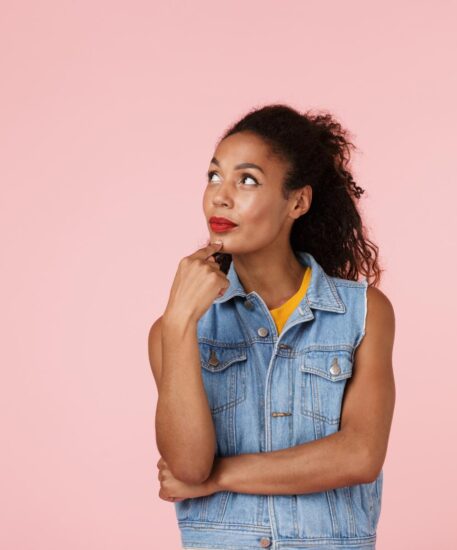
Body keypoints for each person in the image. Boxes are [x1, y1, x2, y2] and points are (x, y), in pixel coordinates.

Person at [148, 104, 396, 549]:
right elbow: (187, 467)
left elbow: (359, 455)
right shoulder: (174, 328)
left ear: (297, 201)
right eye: (213, 177)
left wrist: (218, 478)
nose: (220, 196)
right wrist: (180, 323)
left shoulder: (362, 313)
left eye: (247, 180)